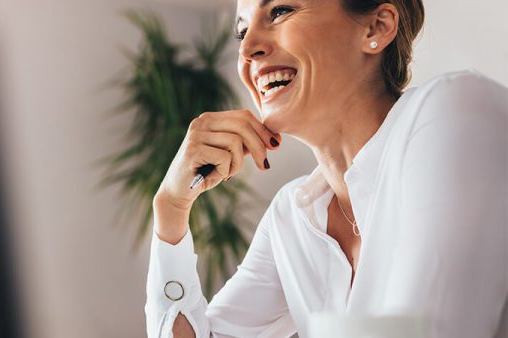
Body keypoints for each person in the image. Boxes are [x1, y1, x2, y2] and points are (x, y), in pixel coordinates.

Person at [145, 0, 508, 337]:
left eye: (280, 11)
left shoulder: (455, 110)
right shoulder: (292, 216)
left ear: (376, 28)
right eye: (241, 32)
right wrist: (171, 209)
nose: (246, 49)